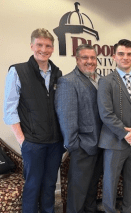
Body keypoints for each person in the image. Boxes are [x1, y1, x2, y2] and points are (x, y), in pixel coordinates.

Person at [3, 28, 64, 212]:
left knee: (50, 185)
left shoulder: (58, 74)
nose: (43, 49)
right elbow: (9, 109)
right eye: (39, 45)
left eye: (48, 46)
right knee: (32, 185)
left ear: (52, 49)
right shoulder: (17, 71)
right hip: (33, 142)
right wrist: (23, 141)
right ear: (32, 46)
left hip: (55, 143)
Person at [97, 39, 131, 213]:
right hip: (114, 142)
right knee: (111, 182)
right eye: (121, 54)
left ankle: (129, 210)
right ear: (114, 57)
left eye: (129, 54)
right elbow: (106, 114)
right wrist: (126, 133)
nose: (125, 57)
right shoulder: (106, 81)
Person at [55, 44, 103, 212]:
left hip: (100, 145)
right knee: (78, 190)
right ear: (77, 59)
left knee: (92, 186)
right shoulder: (68, 81)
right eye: (85, 58)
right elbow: (66, 117)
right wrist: (75, 146)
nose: (89, 61)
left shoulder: (100, 80)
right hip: (83, 146)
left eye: (92, 58)